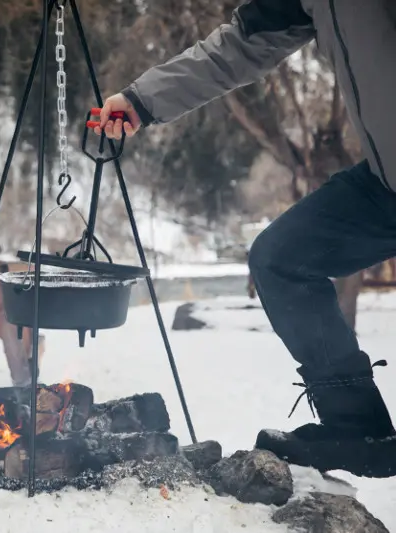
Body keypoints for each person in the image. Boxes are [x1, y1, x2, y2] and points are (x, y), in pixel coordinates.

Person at [96, 0, 396, 478]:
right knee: (282, 258)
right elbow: (241, 44)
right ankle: (359, 428)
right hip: (388, 183)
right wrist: (142, 100)